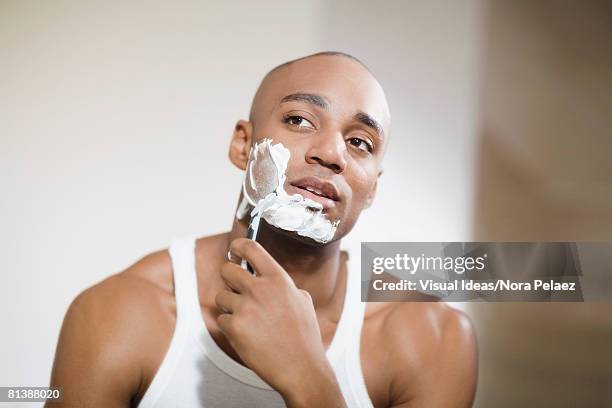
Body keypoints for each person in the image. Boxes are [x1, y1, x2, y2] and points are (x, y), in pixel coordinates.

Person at [47, 51, 478, 408]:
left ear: (372, 189)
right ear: (242, 145)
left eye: (360, 142)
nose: (331, 153)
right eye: (299, 120)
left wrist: (309, 378)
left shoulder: (431, 337)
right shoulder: (118, 314)